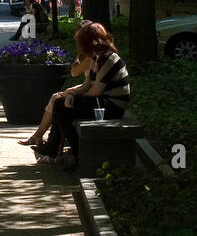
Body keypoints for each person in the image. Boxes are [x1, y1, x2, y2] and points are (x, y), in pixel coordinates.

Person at [34, 22, 131, 167]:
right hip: (102, 102)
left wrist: (74, 98)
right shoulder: (97, 58)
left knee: (61, 106)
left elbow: (95, 91)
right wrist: (72, 95)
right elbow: (87, 85)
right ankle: (57, 149)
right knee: (61, 103)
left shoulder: (109, 59)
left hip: (113, 106)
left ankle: (75, 150)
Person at [19, 51, 94, 147]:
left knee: (56, 99)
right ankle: (40, 136)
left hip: (93, 91)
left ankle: (42, 137)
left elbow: (74, 72)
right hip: (89, 86)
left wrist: (79, 54)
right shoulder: (90, 55)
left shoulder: (90, 57)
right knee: (57, 97)